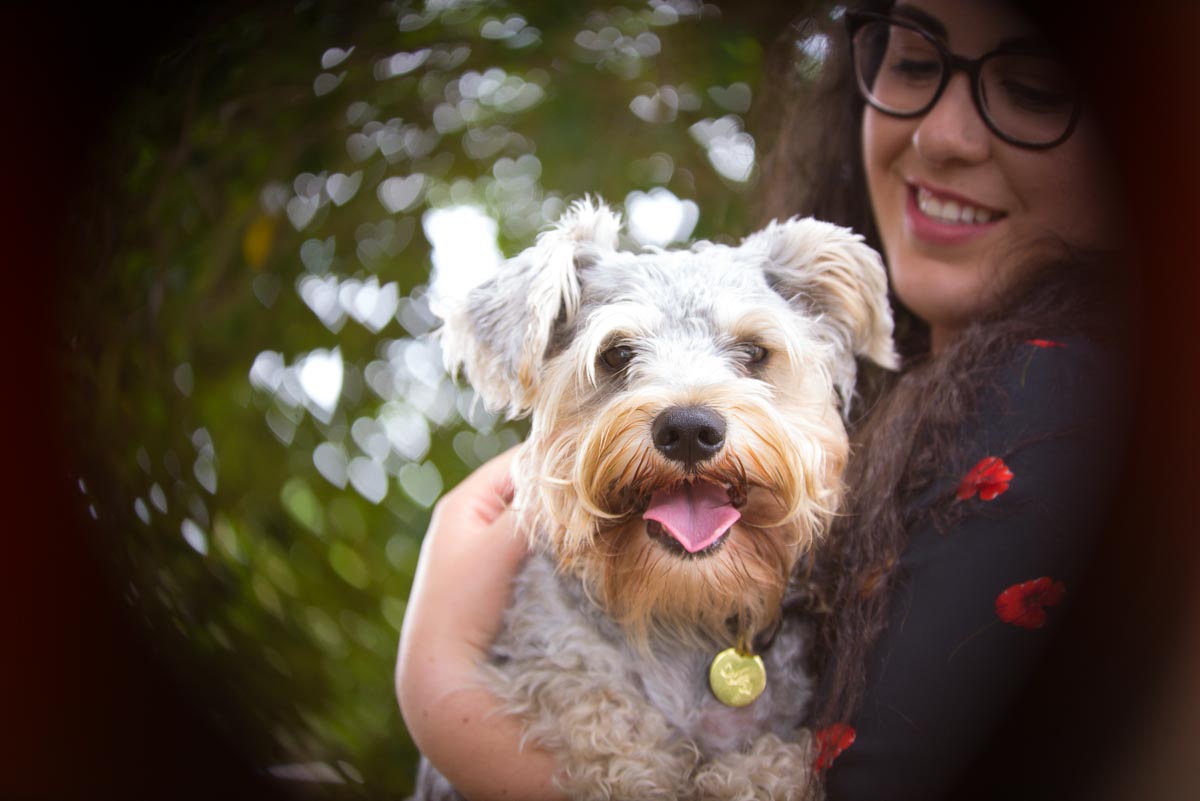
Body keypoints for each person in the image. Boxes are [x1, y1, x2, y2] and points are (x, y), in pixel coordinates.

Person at [396, 1, 1135, 798]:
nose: (687, 410)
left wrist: (441, 686)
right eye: (618, 357)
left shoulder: (1055, 409)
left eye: (754, 354)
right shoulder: (907, 433)